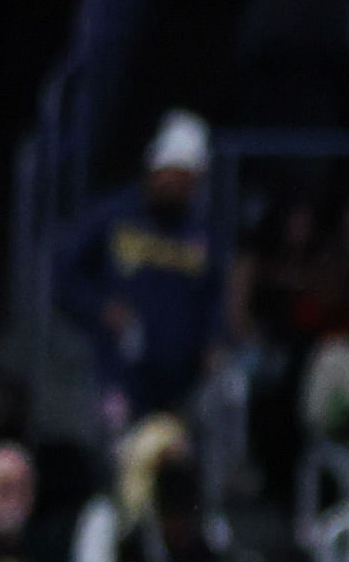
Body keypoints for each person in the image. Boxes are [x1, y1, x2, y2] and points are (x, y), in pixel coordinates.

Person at [59, 112, 232, 433]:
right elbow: (67, 276)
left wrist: (212, 340)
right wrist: (100, 308)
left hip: (180, 384)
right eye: (171, 177)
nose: (176, 188)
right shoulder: (115, 217)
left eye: (186, 181)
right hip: (119, 374)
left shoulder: (200, 235)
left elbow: (214, 297)